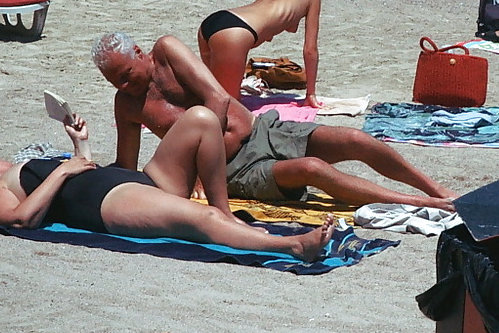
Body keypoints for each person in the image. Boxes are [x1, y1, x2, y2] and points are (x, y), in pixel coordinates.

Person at [91, 32, 457, 211]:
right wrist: (86, 163)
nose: (125, 85)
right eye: (116, 82)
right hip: (229, 170)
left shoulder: (167, 52)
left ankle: (437, 190)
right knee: (312, 168)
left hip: (262, 130)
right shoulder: (127, 105)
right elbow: (127, 165)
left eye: (127, 74)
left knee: (354, 139)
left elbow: (217, 98)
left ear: (139, 52)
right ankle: (416, 202)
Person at [0, 111, 333, 262]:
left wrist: (80, 145)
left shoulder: (30, 172)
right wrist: (62, 172)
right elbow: (19, 221)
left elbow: (85, 169)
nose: (2, 158)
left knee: (201, 119)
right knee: (201, 218)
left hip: (130, 180)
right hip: (109, 201)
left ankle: (231, 218)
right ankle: (292, 246)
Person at [198, 0, 322, 108]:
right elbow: (310, 50)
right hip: (235, 34)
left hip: (212, 23)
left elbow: (272, 31)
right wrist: (310, 93)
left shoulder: (269, 0)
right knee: (229, 108)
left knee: (211, 94)